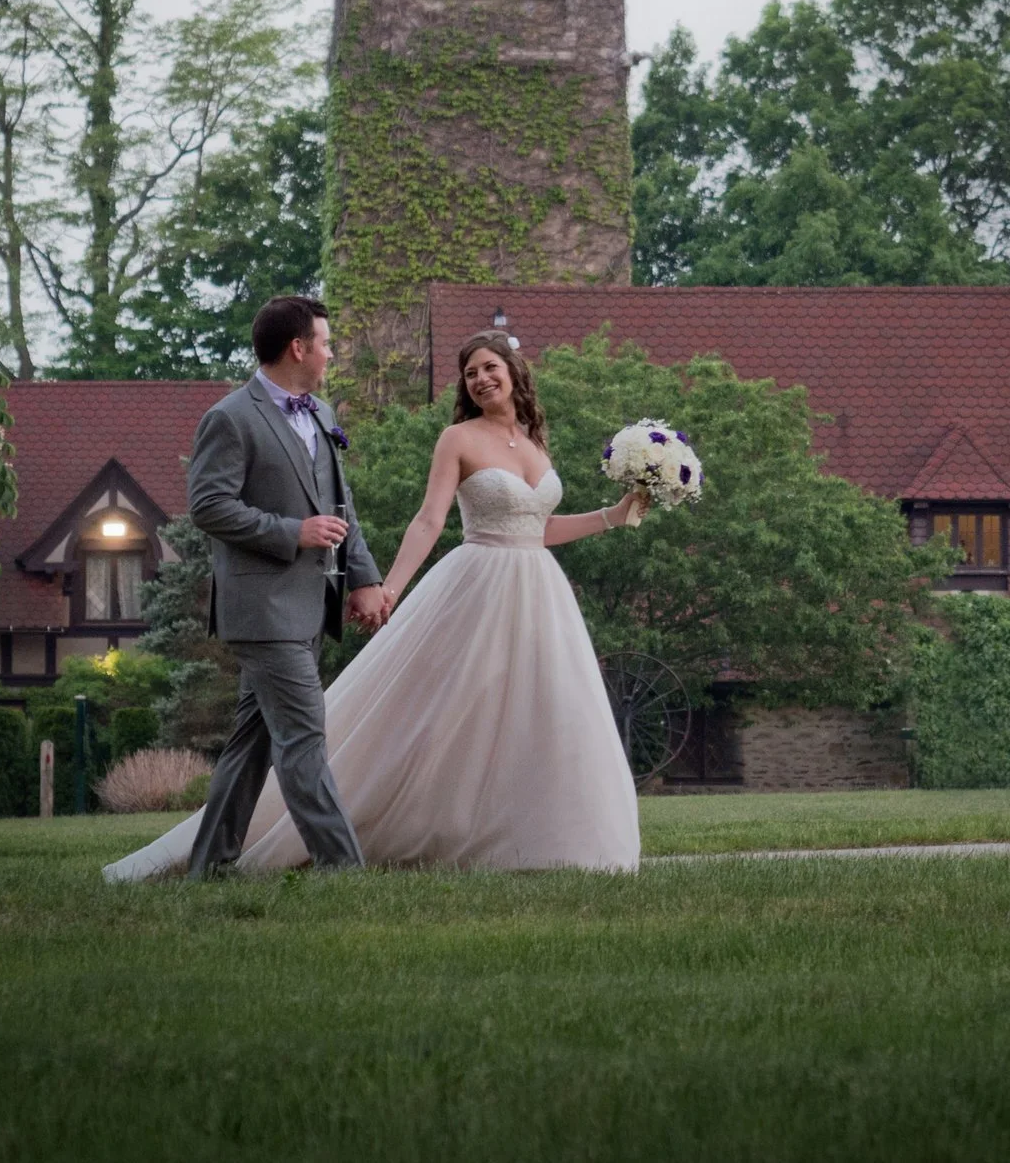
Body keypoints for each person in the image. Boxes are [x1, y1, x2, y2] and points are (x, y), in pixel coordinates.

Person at [105, 327, 644, 880]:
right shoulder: (457, 439)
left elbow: (537, 527)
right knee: (438, 714)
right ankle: (353, 843)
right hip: (477, 584)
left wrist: (613, 515)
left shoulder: (534, 444)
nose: (481, 379)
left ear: (514, 372)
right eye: (471, 373)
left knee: (546, 710)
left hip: (539, 594)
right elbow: (430, 520)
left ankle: (538, 836)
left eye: (489, 367)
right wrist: (391, 588)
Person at [154, 295, 390, 880]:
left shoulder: (322, 413)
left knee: (252, 745)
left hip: (311, 606)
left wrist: (363, 578)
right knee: (304, 738)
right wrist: (294, 531)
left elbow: (341, 507)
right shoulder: (231, 417)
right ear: (298, 348)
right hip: (261, 610)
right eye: (326, 343)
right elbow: (208, 507)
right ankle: (344, 870)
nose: (331, 353)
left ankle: (209, 866)